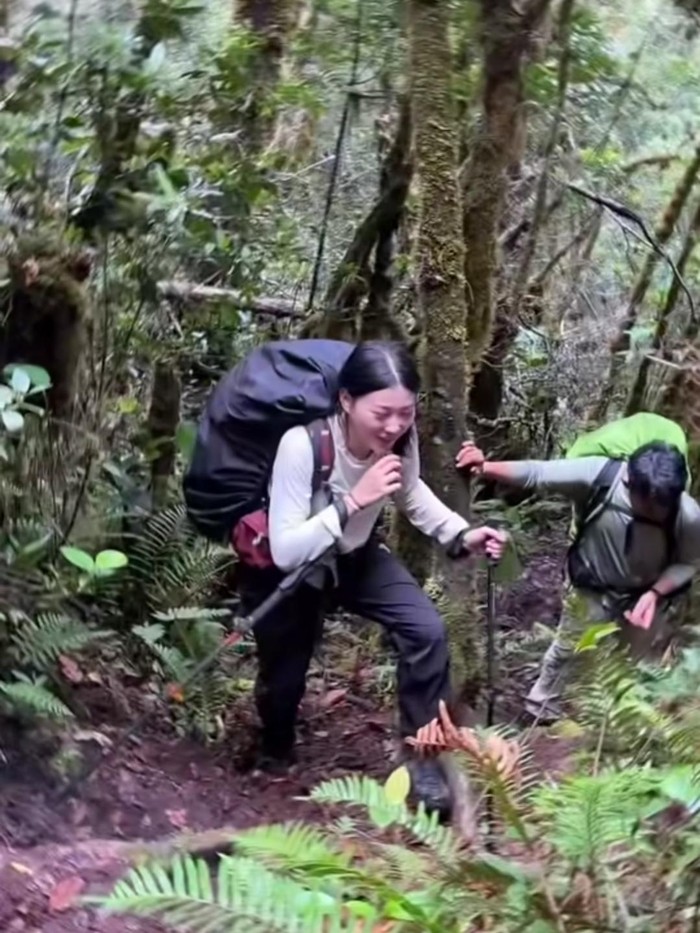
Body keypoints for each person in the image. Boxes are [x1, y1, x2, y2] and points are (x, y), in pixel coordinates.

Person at [236, 341, 508, 819]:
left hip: (357, 559)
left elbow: (411, 491)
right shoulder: (302, 445)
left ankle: (422, 761)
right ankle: (276, 748)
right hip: (298, 569)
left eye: (405, 413)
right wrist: (352, 502)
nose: (394, 426)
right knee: (284, 680)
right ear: (346, 400)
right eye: (382, 413)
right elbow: (285, 548)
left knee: (426, 631)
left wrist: (461, 533)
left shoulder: (402, 439)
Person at [456, 439, 700, 723]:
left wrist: (656, 594)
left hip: (647, 598)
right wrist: (484, 467)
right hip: (591, 587)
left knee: (630, 663)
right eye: (647, 502)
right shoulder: (600, 476)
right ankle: (541, 712)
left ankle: (611, 728)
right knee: (566, 651)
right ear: (627, 480)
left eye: (662, 505)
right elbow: (539, 473)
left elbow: (687, 563)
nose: (655, 510)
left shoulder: (689, 516)